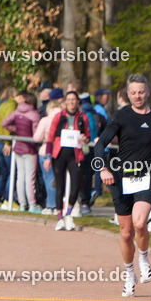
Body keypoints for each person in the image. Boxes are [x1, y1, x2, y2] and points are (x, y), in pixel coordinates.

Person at [93, 73, 151, 297]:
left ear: (147, 92)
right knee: (126, 233)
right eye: (134, 92)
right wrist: (103, 168)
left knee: (140, 223)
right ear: (128, 94)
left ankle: (144, 258)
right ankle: (129, 274)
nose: (138, 96)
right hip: (120, 177)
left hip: (147, 175)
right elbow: (100, 144)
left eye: (141, 92)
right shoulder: (121, 116)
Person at [47, 90, 92, 231]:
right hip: (59, 155)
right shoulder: (58, 117)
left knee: (75, 187)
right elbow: (50, 137)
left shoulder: (82, 117)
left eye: (74, 99)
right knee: (60, 187)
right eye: (69, 99)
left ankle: (69, 215)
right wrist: (48, 157)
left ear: (78, 101)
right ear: (65, 101)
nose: (72, 102)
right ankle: (60, 218)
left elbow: (88, 135)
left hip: (76, 155)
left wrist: (85, 138)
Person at [2, 90, 41, 213]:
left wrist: (17, 130)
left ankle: (22, 203)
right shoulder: (34, 115)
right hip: (30, 149)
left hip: (18, 147)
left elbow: (4, 123)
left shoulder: (16, 111)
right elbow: (36, 135)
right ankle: (32, 204)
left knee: (20, 177)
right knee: (30, 178)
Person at [35, 88, 64, 215]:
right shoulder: (63, 119)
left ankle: (51, 205)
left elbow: (36, 137)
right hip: (61, 151)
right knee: (59, 179)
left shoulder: (45, 120)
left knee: (49, 180)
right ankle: (59, 205)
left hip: (45, 150)